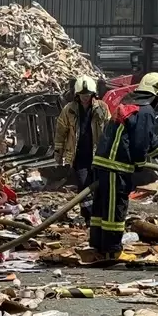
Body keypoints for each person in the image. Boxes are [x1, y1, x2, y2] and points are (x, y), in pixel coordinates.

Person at [88, 72, 158, 258]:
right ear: (156, 93)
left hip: (103, 162)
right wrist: (141, 164)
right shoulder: (146, 110)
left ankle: (99, 246)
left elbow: (148, 137)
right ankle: (112, 250)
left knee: (101, 207)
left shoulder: (130, 103)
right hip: (117, 166)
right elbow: (140, 142)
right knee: (115, 208)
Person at [54, 75, 110, 226]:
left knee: (96, 186)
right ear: (76, 95)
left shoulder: (102, 108)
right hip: (78, 156)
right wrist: (58, 153)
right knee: (84, 186)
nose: (85, 98)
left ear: (93, 94)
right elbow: (61, 131)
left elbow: (109, 129)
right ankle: (88, 217)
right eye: (82, 95)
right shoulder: (69, 110)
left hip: (97, 155)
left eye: (88, 95)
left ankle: (96, 215)